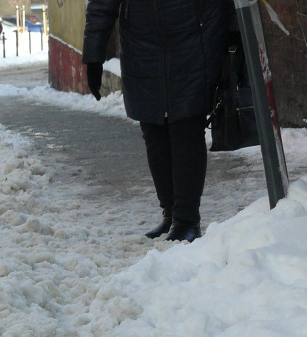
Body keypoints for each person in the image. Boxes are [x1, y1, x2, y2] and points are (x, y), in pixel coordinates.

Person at [83, 0, 230, 242]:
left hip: (194, 36)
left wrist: (231, 35)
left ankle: (187, 220)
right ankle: (171, 213)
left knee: (186, 125)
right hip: (141, 42)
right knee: (153, 128)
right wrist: (94, 54)